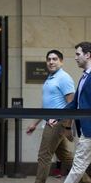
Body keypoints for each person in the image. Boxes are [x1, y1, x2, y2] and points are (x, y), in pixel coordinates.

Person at [26, 50, 78, 183]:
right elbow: (46, 105)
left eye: (55, 59)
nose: (51, 62)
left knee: (44, 156)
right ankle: (86, 180)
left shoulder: (64, 78)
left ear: (61, 61)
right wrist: (34, 123)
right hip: (51, 122)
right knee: (66, 157)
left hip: (56, 123)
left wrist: (67, 126)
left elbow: (71, 104)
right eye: (49, 59)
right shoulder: (50, 77)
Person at [50, 42, 91, 183]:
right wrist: (57, 116)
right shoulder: (84, 77)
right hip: (86, 130)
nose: (75, 58)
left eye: (78, 54)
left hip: (89, 130)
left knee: (78, 168)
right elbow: (74, 104)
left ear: (88, 55)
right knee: (79, 167)